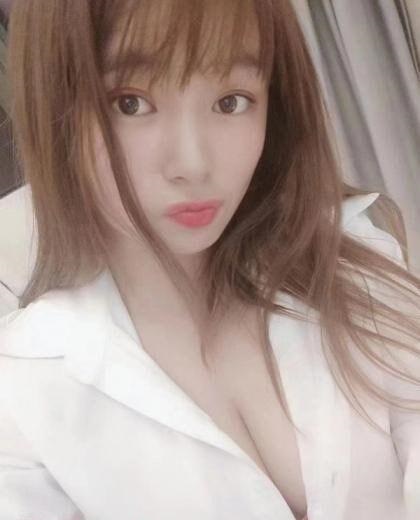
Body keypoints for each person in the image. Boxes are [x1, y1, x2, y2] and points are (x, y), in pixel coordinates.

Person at [0, 1, 419, 519]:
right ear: (56, 107)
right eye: (130, 103)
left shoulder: (348, 259)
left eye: (231, 101)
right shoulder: (25, 395)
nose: (193, 164)